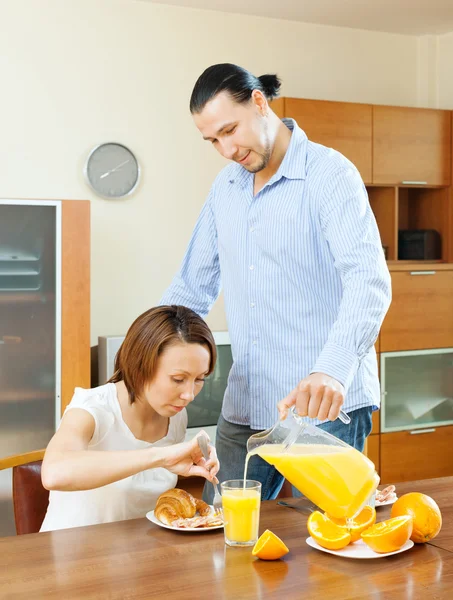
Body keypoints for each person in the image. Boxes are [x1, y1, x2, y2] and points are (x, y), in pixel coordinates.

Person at [160, 63, 392, 502]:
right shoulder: (226, 188)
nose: (226, 149)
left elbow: (368, 280)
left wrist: (333, 368)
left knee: (323, 548)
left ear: (260, 103)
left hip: (323, 404)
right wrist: (142, 360)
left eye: (230, 130)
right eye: (213, 140)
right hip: (248, 400)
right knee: (222, 535)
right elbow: (192, 286)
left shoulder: (329, 174)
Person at [40, 305, 219, 531]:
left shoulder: (175, 416)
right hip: (73, 559)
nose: (189, 395)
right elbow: (54, 473)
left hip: (139, 558)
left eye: (200, 379)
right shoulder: (92, 408)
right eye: (177, 379)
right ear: (140, 365)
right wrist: (160, 456)